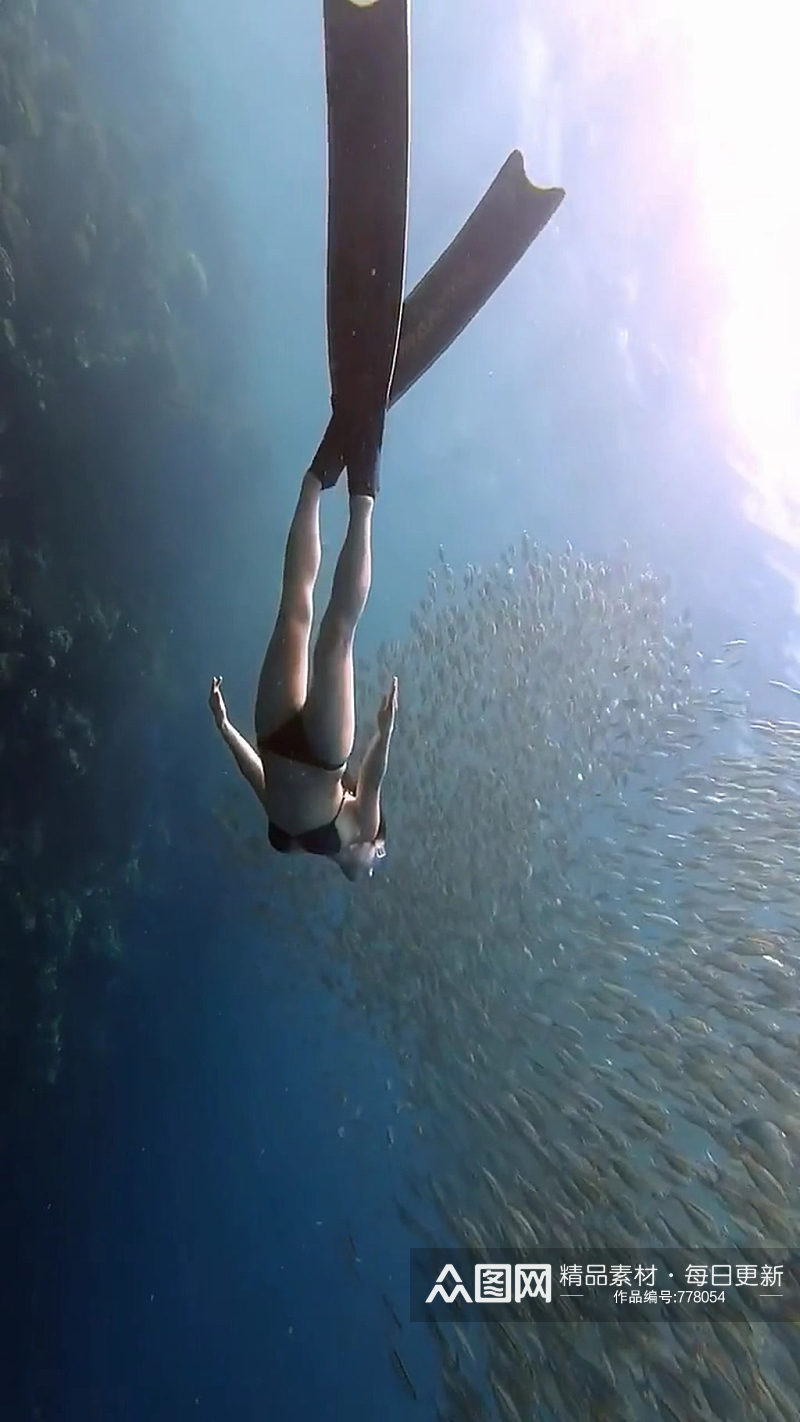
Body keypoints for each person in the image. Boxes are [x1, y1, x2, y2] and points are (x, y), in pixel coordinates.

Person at [210, 0, 565, 882]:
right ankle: (314, 484)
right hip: (275, 735)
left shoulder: (357, 852)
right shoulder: (318, 841)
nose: (374, 838)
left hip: (315, 754)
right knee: (302, 614)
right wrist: (227, 725)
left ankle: (359, 484)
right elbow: (264, 777)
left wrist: (383, 734)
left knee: (333, 626)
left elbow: (367, 785)